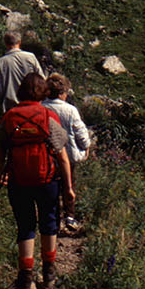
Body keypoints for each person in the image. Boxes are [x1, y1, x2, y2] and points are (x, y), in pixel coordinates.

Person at [0, 72, 75, 289]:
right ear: (43, 93)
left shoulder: (10, 117)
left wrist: (3, 173)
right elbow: (62, 156)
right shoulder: (48, 116)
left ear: (21, 92)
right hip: (47, 180)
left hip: (19, 181)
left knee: (25, 226)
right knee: (49, 224)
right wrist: (68, 188)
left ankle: (25, 278)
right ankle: (49, 275)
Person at [42, 73, 91, 231]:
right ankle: (70, 216)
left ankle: (52, 218)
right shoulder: (70, 110)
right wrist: (86, 147)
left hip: (47, 155)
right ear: (63, 92)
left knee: (51, 186)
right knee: (69, 185)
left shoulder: (42, 107)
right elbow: (80, 132)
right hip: (68, 155)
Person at [0, 29, 44, 111]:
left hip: (11, 108)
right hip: (32, 105)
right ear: (19, 42)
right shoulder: (30, 57)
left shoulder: (1, 62)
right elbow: (41, 79)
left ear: (6, 43)